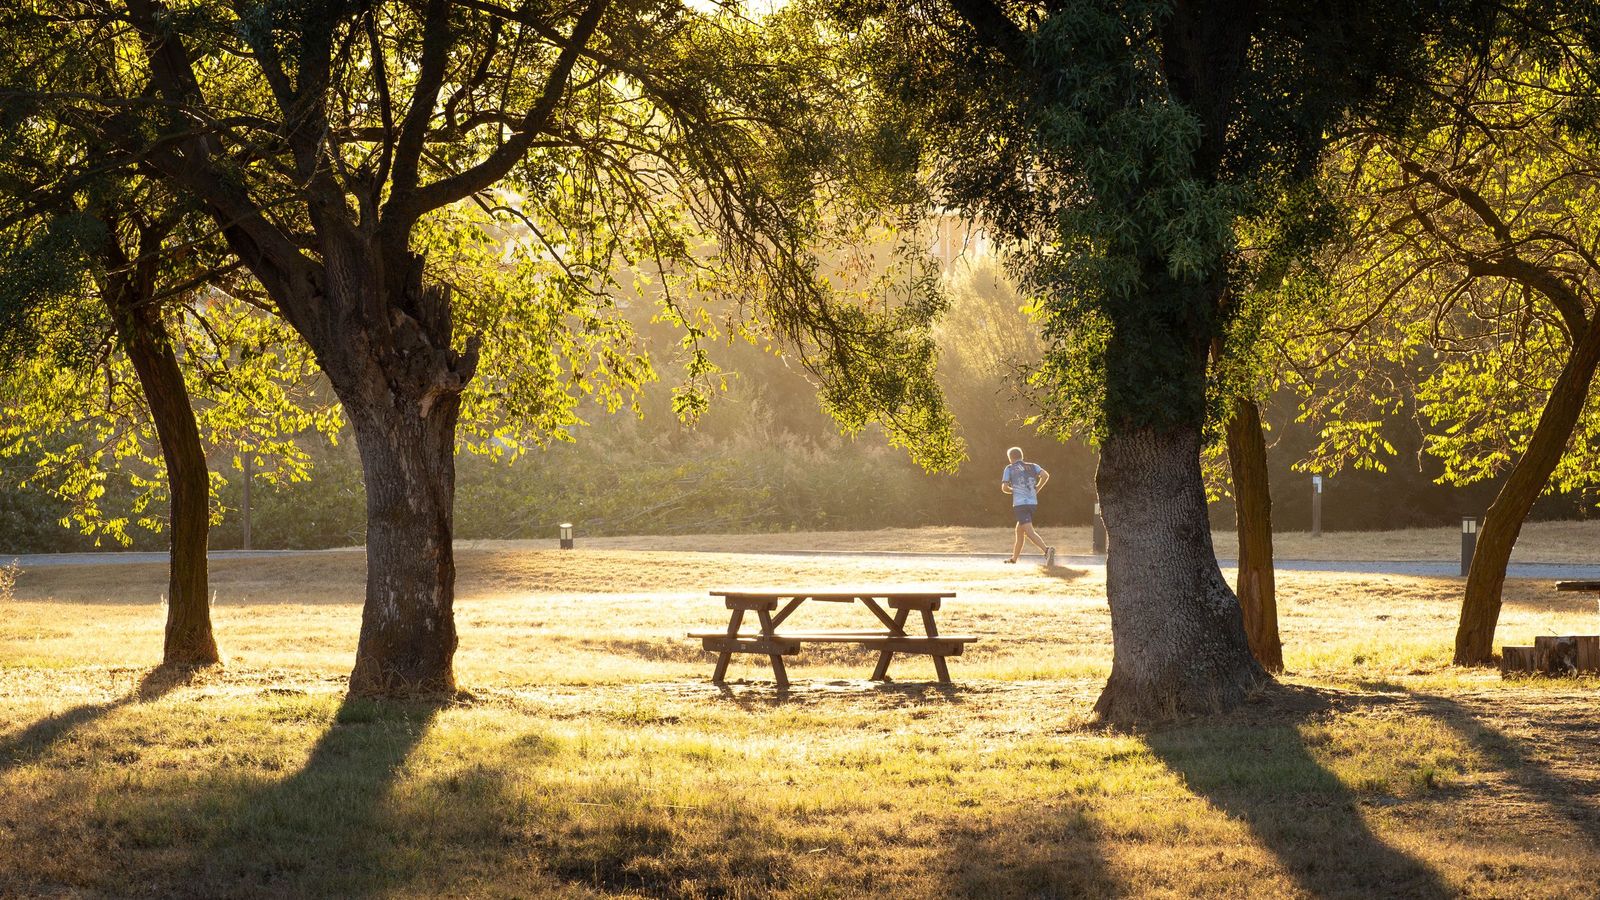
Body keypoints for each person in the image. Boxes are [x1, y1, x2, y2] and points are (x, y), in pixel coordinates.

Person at [1000, 447, 1055, 565]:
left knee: (1029, 531)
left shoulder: (1009, 468)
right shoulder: (1033, 466)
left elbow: (1004, 488)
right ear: (1021, 456)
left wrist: (1015, 490)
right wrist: (1037, 488)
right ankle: (1014, 559)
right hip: (1032, 503)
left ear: (1010, 458)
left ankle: (1047, 550)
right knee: (1019, 531)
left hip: (1020, 504)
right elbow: (1045, 475)